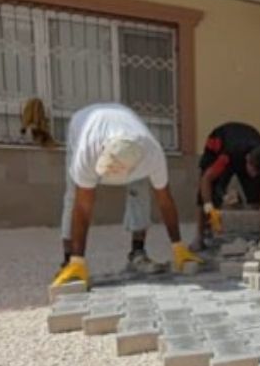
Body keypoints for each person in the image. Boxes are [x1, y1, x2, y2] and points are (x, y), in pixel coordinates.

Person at [50, 103, 201, 288]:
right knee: (73, 196)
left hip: (128, 132)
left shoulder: (152, 154)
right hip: (84, 125)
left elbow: (165, 201)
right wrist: (77, 260)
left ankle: (138, 253)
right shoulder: (86, 152)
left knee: (140, 191)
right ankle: (69, 262)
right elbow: (83, 207)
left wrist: (178, 246)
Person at [196, 122, 260, 245]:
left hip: (246, 145)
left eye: (258, 173)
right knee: (208, 192)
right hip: (221, 143)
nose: (255, 175)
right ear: (247, 160)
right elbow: (206, 179)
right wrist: (209, 207)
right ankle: (199, 236)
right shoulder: (227, 155)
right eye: (253, 170)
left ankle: (259, 234)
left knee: (259, 194)